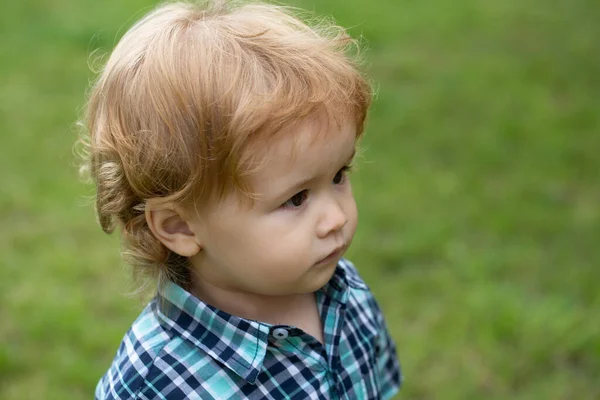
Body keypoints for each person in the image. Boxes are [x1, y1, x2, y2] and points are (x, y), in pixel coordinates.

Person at [83, 1, 401, 398]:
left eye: (339, 176)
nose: (336, 217)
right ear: (180, 226)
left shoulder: (346, 295)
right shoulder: (154, 384)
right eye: (297, 198)